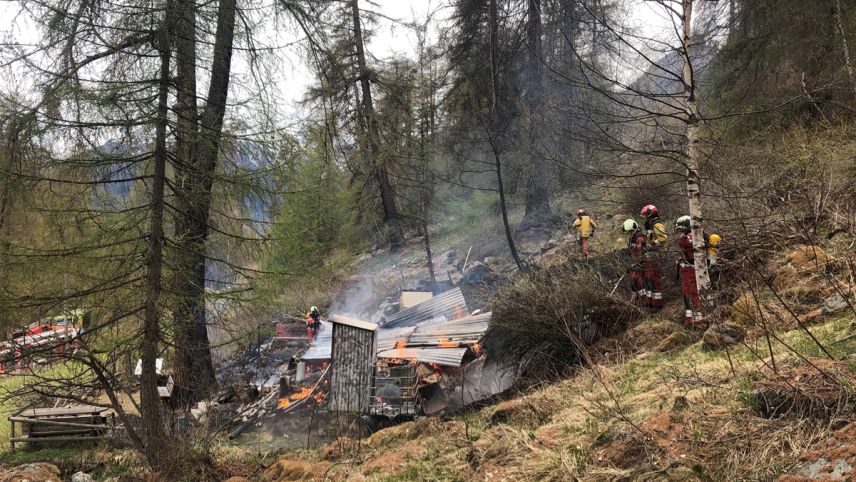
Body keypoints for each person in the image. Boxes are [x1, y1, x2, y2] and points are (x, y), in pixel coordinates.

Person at [675, 216, 704, 329]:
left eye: (682, 229)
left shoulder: (692, 236)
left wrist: (683, 238)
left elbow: (684, 242)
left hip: (691, 270)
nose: (681, 232)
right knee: (686, 294)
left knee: (693, 294)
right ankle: (690, 319)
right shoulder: (692, 235)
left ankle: (698, 322)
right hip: (687, 270)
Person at [640, 205, 667, 311]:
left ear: (651, 213)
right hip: (651, 254)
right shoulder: (650, 224)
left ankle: (658, 304)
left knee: (655, 280)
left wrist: (651, 245)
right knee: (649, 279)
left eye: (646, 215)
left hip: (657, 254)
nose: (646, 217)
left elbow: (663, 239)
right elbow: (650, 238)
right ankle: (651, 302)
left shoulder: (657, 224)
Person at [622, 219, 647, 307]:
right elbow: (632, 251)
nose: (629, 233)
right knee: (634, 282)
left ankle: (644, 302)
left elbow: (641, 251)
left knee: (639, 283)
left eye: (630, 231)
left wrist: (637, 263)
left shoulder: (639, 237)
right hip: (635, 263)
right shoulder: (633, 237)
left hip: (639, 264)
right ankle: (635, 301)